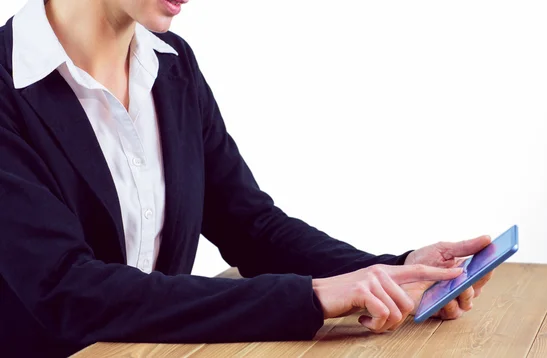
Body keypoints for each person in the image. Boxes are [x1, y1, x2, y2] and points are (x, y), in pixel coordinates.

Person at [0, 0, 494, 356]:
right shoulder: (7, 87)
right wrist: (312, 297)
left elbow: (250, 225)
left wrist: (393, 270)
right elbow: (66, 289)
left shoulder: (172, 66)